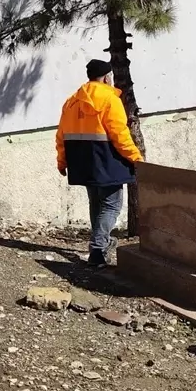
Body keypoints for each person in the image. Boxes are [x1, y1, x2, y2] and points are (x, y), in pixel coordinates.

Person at [56, 59, 144, 267]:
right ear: (107, 77)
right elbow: (120, 134)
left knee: (96, 204)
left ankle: (102, 243)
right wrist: (136, 158)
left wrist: (62, 161)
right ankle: (97, 249)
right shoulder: (109, 99)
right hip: (105, 160)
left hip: (81, 160)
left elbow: (60, 135)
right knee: (112, 206)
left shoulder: (72, 101)